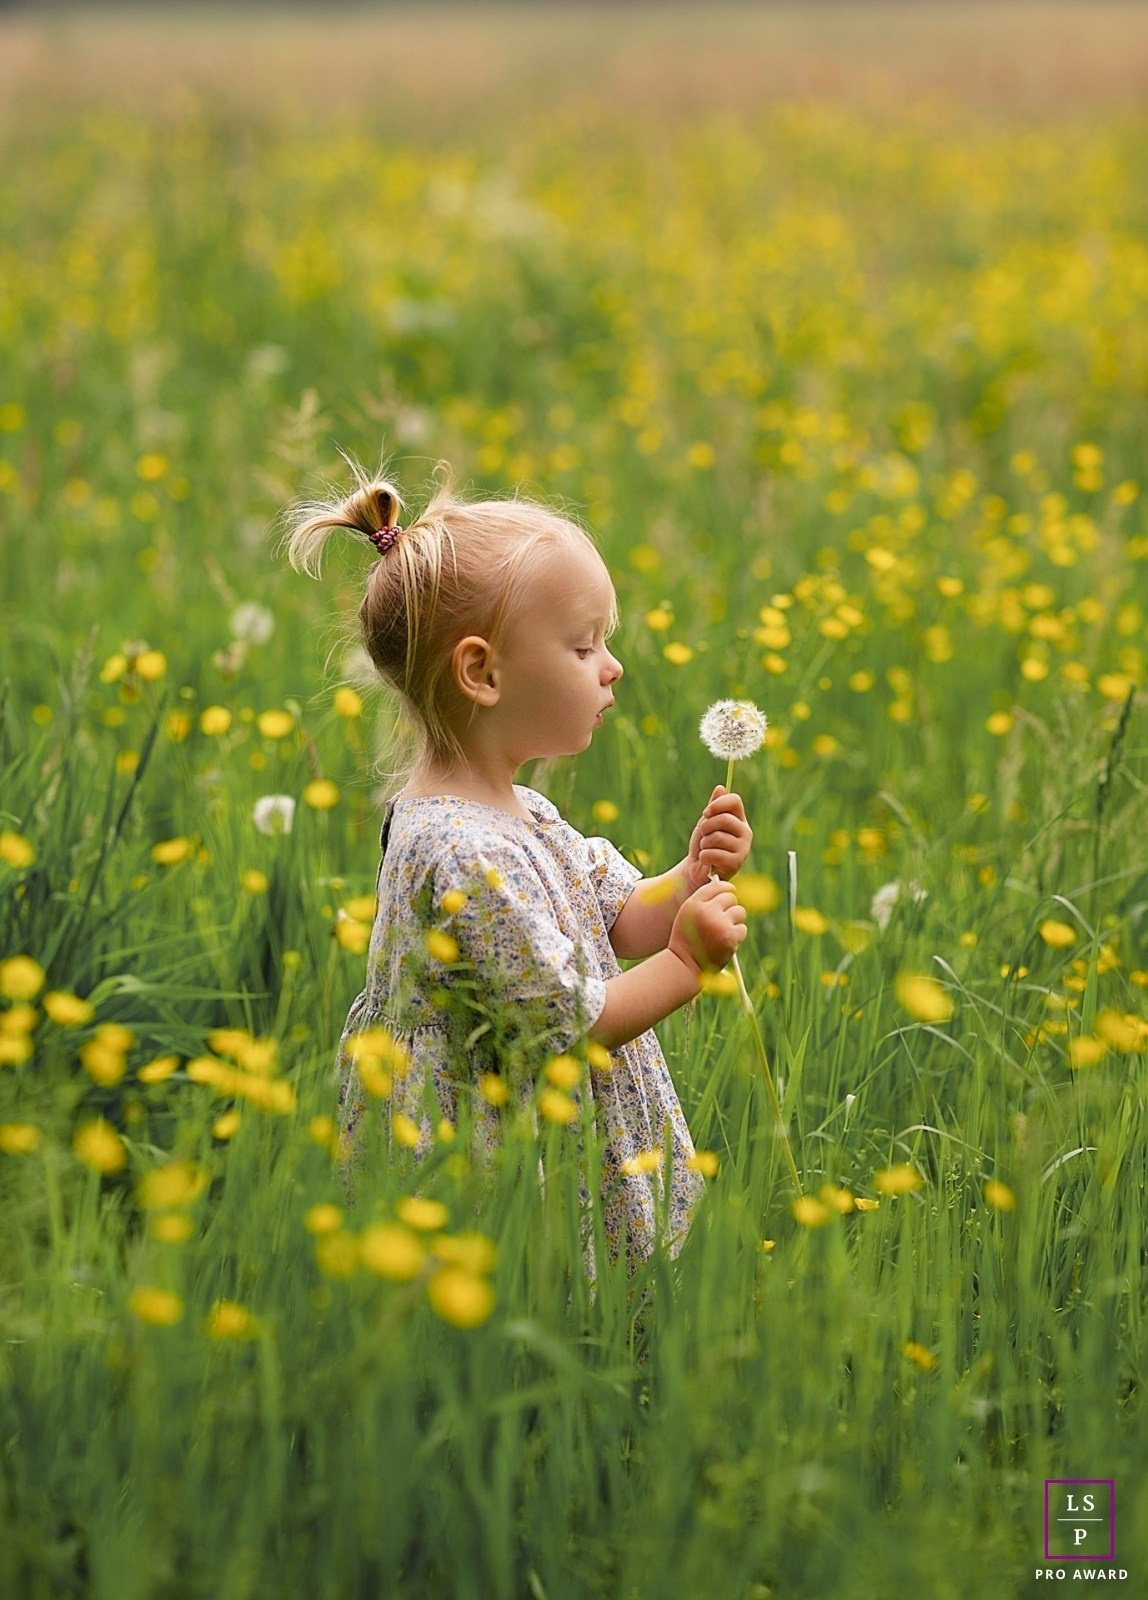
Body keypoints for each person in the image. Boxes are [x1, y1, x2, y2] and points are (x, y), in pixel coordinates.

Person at [283, 460, 751, 1269]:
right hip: (490, 1149)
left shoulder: (521, 812)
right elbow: (571, 1027)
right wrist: (686, 963)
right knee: (532, 1301)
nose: (612, 666)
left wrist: (687, 878)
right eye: (584, 646)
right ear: (482, 673)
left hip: (539, 1125)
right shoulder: (463, 851)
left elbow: (616, 919)